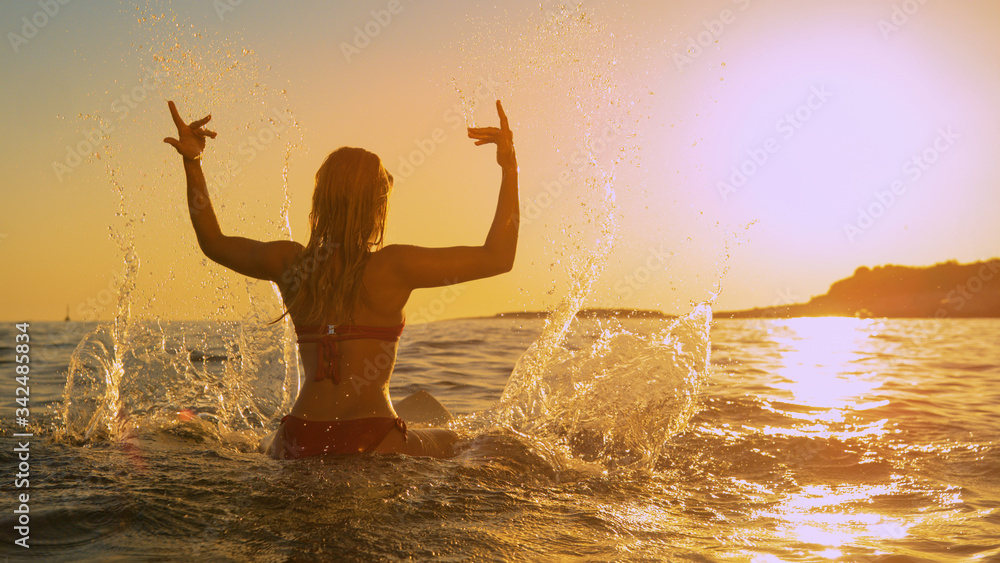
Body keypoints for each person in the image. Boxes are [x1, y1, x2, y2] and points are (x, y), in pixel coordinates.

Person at [164, 99, 517, 459]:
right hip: (374, 437)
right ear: (377, 207)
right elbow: (499, 258)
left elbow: (213, 242)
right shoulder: (395, 266)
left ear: (320, 200)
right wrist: (510, 167)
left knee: (263, 445)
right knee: (469, 441)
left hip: (298, 436)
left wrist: (192, 161)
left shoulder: (289, 262)